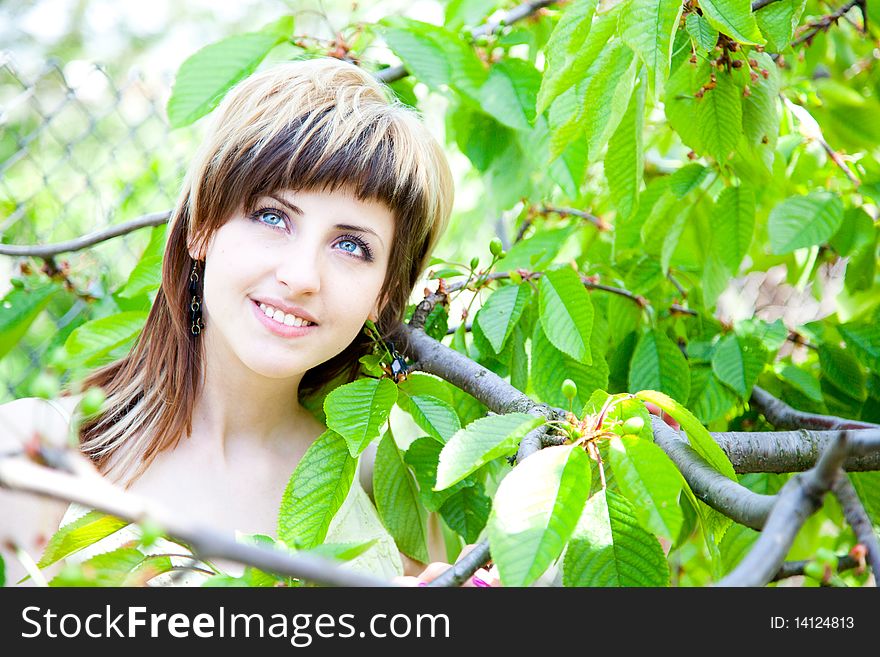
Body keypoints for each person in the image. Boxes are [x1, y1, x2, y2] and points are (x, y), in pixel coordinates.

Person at [0, 56, 499, 587]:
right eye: (272, 217)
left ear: (385, 294)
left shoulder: (382, 472)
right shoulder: (38, 449)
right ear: (202, 228)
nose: (301, 275)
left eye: (351, 246)